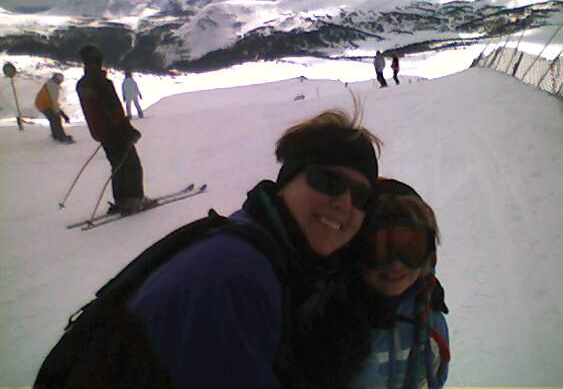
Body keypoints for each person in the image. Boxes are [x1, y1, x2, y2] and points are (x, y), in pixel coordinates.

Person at [37, 107, 381, 389]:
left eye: (361, 196)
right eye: (328, 182)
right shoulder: (235, 275)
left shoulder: (270, 252)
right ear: (287, 182)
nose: (344, 203)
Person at [296, 178, 450, 389]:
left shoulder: (428, 316)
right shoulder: (326, 321)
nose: (396, 264)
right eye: (379, 248)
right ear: (354, 251)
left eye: (410, 249)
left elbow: (434, 376)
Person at [76, 45, 152, 214]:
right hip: (115, 132)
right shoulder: (102, 83)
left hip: (100, 133)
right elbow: (113, 110)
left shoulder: (82, 84)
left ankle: (122, 200)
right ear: (99, 61)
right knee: (132, 165)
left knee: (117, 166)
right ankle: (134, 200)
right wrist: (128, 130)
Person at [34, 72, 74, 144]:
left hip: (44, 104)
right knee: (56, 119)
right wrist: (62, 114)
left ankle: (56, 135)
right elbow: (54, 102)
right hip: (44, 105)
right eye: (60, 80)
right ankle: (62, 137)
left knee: (54, 119)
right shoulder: (53, 87)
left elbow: (53, 102)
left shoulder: (51, 84)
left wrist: (61, 113)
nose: (60, 82)